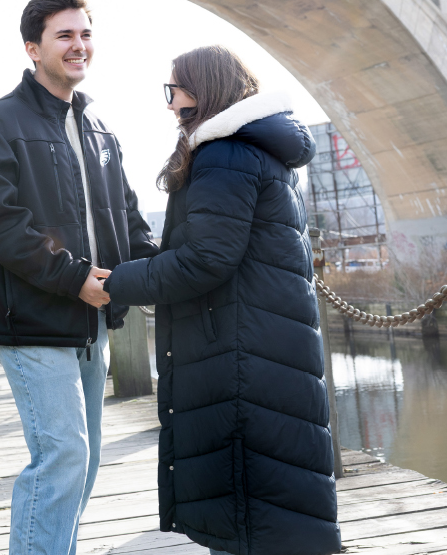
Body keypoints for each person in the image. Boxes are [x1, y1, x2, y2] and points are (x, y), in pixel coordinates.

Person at [104, 46, 340, 555]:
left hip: (239, 355)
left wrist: (117, 282)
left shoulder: (224, 154)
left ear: (204, 90)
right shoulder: (256, 151)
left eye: (175, 91)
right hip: (262, 344)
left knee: (247, 517)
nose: (169, 104)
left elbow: (205, 260)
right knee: (273, 508)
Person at [0, 0, 157, 555]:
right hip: (32, 317)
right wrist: (73, 278)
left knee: (81, 461)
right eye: (64, 35)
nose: (79, 45)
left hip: (93, 322)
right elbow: (0, 225)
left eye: (86, 34)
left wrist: (164, 271)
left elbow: (130, 222)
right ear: (33, 49)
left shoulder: (101, 132)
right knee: (62, 455)